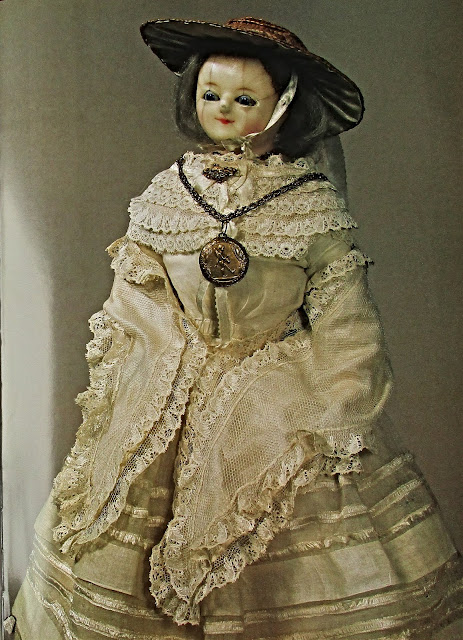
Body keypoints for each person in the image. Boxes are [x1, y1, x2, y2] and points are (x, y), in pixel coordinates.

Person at [10, 16, 463, 640]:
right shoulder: (170, 191)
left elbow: (344, 313)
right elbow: (137, 289)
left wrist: (337, 396)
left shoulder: (308, 201)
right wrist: (158, 354)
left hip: (279, 395)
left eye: (245, 99)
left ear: (283, 107)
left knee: (291, 541)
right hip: (169, 382)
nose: (224, 109)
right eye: (211, 94)